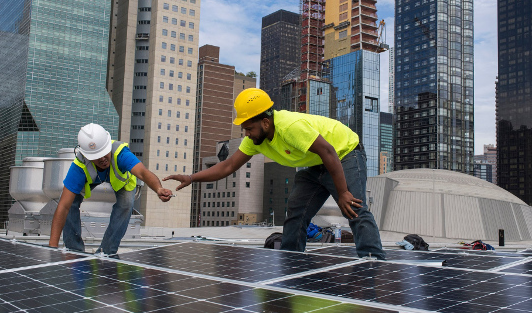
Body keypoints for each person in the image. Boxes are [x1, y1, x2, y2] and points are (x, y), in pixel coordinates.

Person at [165, 88, 385, 259]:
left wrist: (343, 192)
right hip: (318, 163)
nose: (247, 134)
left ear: (266, 122)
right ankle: (291, 260)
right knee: (296, 212)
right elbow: (228, 166)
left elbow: (328, 151)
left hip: (344, 153)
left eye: (249, 129)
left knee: (354, 209)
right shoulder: (256, 140)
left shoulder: (290, 127)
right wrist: (192, 178)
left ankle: (373, 264)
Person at [49, 123, 172, 255]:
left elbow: (142, 172)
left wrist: (158, 189)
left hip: (122, 183)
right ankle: (74, 250)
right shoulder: (80, 164)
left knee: (126, 205)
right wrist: (52, 248)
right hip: (92, 178)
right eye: (96, 156)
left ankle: (106, 251)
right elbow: (63, 207)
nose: (102, 159)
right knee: (69, 201)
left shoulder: (120, 153)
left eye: (104, 153)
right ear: (87, 156)